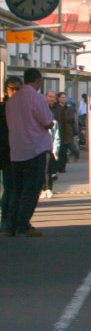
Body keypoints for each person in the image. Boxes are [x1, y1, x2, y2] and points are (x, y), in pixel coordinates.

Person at [4, 68, 54, 237]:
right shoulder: (37, 98)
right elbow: (48, 122)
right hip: (35, 149)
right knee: (31, 189)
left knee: (16, 189)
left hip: (16, 150)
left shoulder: (12, 101)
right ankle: (22, 224)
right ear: (38, 80)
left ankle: (9, 225)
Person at [0, 76, 22, 233]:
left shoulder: (22, 109)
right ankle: (7, 220)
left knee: (14, 188)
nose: (15, 92)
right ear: (6, 90)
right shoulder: (3, 108)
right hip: (6, 153)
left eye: (18, 89)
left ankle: (10, 220)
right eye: (12, 89)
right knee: (10, 188)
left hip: (18, 153)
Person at [55, 92, 76, 171]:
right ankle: (58, 166)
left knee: (64, 149)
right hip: (58, 130)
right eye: (62, 97)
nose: (64, 99)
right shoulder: (56, 108)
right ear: (58, 98)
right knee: (59, 149)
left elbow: (71, 119)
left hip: (67, 131)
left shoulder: (69, 108)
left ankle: (62, 166)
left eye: (65, 97)